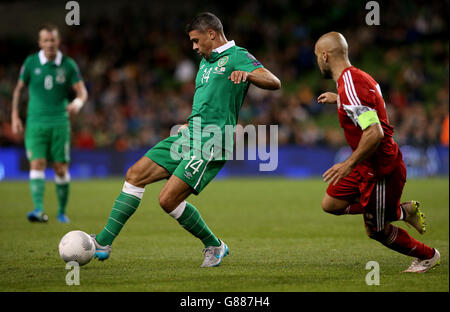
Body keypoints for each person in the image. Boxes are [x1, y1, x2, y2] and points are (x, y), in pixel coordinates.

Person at [91, 12, 281, 267]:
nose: (193, 47)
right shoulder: (205, 61)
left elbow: (274, 81)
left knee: (167, 200)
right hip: (189, 134)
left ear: (211, 34)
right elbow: (207, 102)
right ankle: (103, 242)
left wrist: (248, 75)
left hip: (213, 141)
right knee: (135, 174)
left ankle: (215, 246)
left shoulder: (237, 57)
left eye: (195, 40)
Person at [315, 32, 439, 273]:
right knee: (331, 204)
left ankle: (428, 256)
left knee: (376, 230)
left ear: (325, 56)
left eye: (317, 57)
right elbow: (366, 108)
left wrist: (347, 164)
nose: (317, 62)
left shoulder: (351, 85)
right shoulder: (356, 79)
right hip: (365, 163)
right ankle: (403, 211)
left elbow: (375, 132)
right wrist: (339, 99)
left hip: (379, 169)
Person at [11, 23, 88, 223]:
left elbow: (82, 92)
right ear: (40, 42)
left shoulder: (68, 65)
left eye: (52, 40)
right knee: (36, 163)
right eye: (45, 40)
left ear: (58, 41)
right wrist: (14, 116)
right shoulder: (30, 63)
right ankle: (38, 210)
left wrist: (77, 104)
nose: (49, 44)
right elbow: (19, 90)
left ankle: (62, 212)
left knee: (60, 168)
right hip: (35, 122)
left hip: (59, 122)